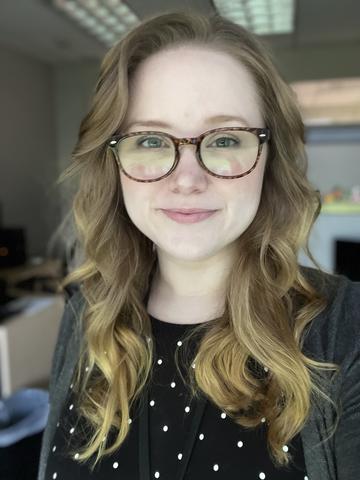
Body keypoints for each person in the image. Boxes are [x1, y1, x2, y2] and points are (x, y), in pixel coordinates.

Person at [38, 10, 360, 480]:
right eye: (150, 140)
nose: (187, 179)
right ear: (113, 162)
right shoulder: (85, 317)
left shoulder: (346, 332)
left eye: (226, 137)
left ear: (270, 158)